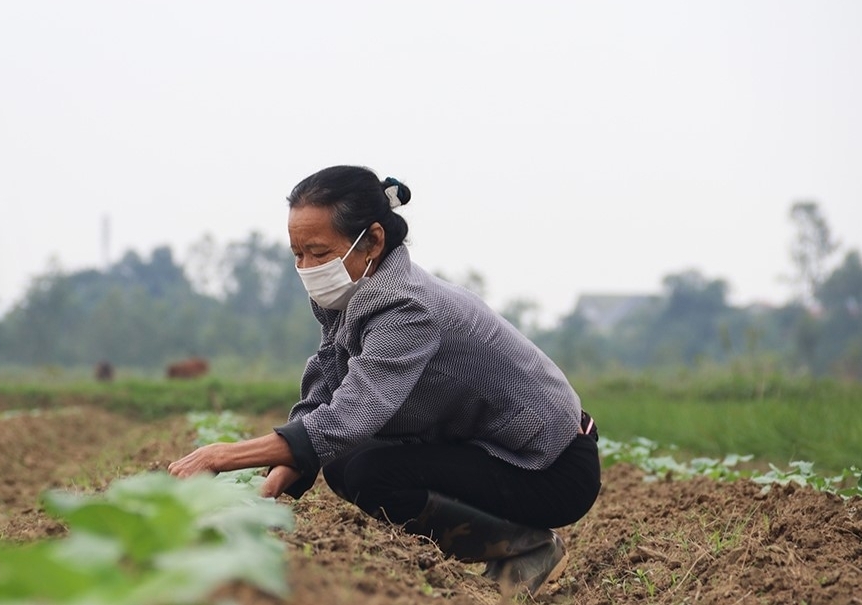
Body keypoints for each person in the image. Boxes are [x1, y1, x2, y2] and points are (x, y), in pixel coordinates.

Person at [168, 165, 601, 598]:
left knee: (372, 473)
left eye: (318, 253)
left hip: (550, 467)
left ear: (373, 241)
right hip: (490, 450)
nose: (306, 268)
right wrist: (271, 484)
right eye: (297, 254)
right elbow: (325, 391)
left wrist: (221, 456)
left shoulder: (407, 308)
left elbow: (346, 417)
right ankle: (515, 545)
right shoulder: (354, 293)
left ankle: (529, 549)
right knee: (342, 462)